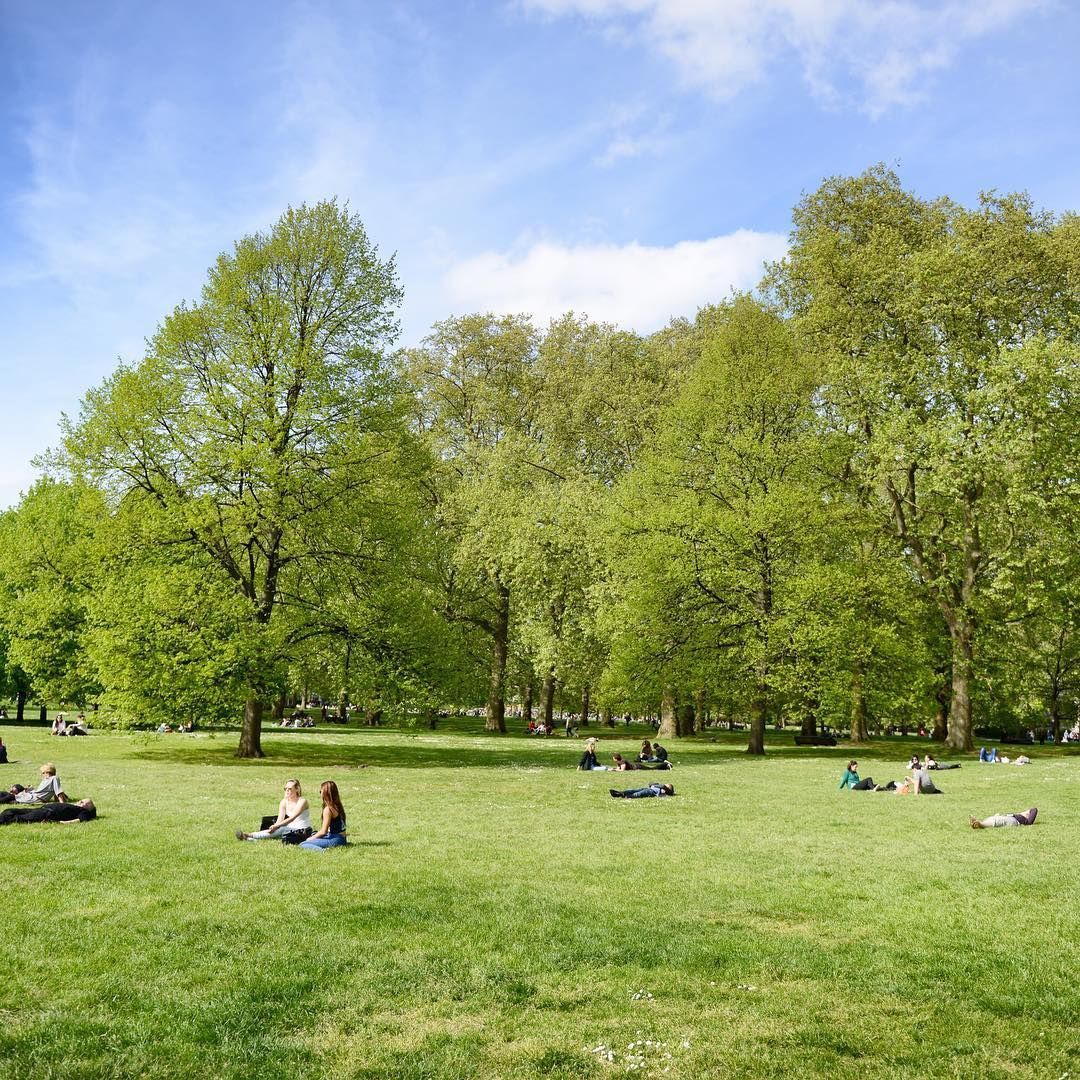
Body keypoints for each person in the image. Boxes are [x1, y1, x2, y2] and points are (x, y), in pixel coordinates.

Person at [236, 779, 312, 841]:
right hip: (290, 828)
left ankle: (249, 835)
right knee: (276, 830)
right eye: (285, 789)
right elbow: (280, 819)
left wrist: (278, 826)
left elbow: (292, 818)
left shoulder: (302, 801)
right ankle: (250, 838)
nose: (287, 791)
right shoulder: (284, 802)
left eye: (290, 789)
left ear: (297, 789)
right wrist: (275, 826)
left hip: (303, 829)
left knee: (282, 829)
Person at [298, 780, 347, 851]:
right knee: (314, 836)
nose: (320, 793)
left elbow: (324, 831)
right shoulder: (337, 805)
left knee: (303, 844)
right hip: (342, 838)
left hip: (336, 839)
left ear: (326, 793)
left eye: (320, 791)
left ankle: (323, 851)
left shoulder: (328, 809)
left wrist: (311, 838)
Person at [0, 763, 67, 804]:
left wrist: (62, 804)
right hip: (32, 794)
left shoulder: (54, 778)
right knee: (4, 793)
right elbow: (56, 792)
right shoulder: (46, 780)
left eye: (43, 772)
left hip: (35, 798)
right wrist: (31, 789)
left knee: (10, 796)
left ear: (47, 772)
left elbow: (58, 792)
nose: (42, 774)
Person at [0, 798, 96, 826]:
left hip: (46, 813)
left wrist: (62, 823)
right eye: (82, 801)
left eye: (87, 805)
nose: (82, 804)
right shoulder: (73, 805)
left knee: (17, 818)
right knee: (10, 810)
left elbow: (81, 819)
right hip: (41, 809)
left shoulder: (83, 812)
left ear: (88, 809)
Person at [970, 807, 1038, 829]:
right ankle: (977, 822)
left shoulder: (1027, 821)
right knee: (994, 818)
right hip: (1007, 817)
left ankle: (980, 824)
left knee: (997, 821)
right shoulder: (1021, 815)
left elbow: (1034, 809)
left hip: (1013, 821)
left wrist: (1027, 812)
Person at [610, 783, 675, 799]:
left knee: (639, 794)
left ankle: (624, 795)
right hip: (648, 788)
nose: (664, 784)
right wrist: (654, 784)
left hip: (651, 792)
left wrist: (664, 788)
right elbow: (650, 783)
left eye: (666, 785)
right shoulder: (658, 786)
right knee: (633, 790)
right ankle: (620, 793)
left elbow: (663, 786)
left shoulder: (663, 789)